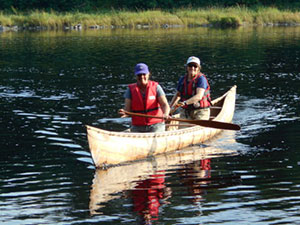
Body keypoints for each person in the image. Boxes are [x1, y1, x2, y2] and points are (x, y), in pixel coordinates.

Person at [119, 63, 170, 132]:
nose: (142, 77)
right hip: (138, 126)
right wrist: (124, 113)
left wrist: (166, 114)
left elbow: (165, 105)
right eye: (139, 75)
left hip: (156, 124)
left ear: (148, 74)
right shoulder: (130, 90)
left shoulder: (156, 87)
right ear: (136, 76)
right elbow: (127, 110)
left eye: (144, 74)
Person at [170, 56, 211, 120]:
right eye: (190, 65)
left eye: (195, 66)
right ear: (187, 67)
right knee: (183, 128)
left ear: (199, 68)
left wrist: (185, 102)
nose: (192, 68)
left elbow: (199, 96)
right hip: (185, 111)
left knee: (198, 128)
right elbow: (177, 95)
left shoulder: (201, 79)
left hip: (200, 111)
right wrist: (170, 108)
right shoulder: (182, 79)